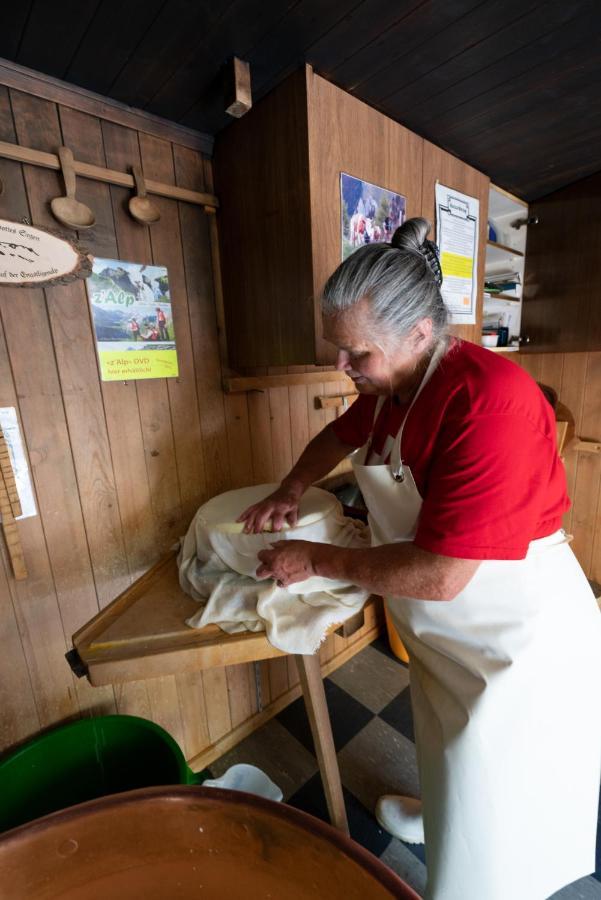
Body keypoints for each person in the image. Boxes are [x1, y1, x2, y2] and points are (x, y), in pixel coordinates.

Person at [237, 217, 601, 900]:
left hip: (513, 635)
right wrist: (292, 487)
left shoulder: (487, 401)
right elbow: (336, 435)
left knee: (501, 792)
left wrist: (312, 557)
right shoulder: (389, 390)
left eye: (355, 355)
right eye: (335, 351)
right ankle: (442, 818)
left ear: (418, 335)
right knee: (442, 745)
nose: (340, 369)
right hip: (445, 627)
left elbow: (439, 573)